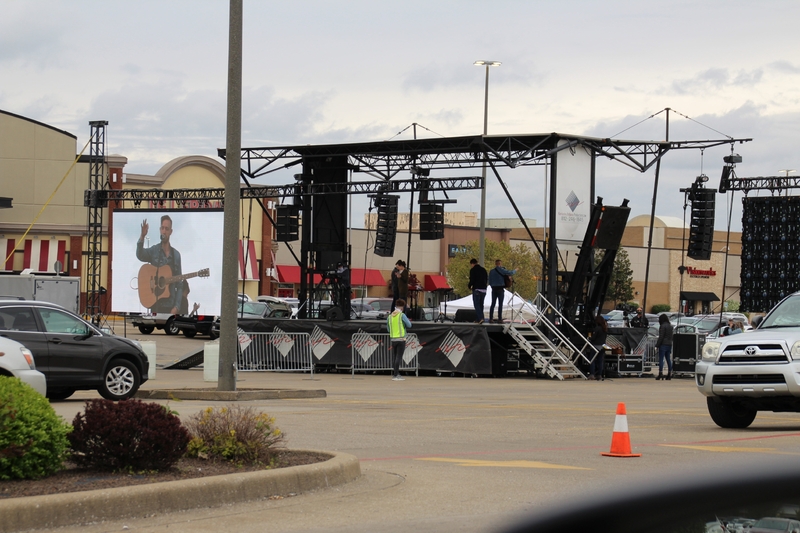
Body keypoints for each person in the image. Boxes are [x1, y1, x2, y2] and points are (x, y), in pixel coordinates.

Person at [136, 215, 185, 315]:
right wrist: (142, 237)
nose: (164, 231)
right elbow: (140, 255)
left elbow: (180, 285)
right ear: (159, 230)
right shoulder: (154, 250)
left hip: (170, 306)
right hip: (155, 304)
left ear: (171, 231)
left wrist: (176, 307)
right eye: (162, 228)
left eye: (166, 229)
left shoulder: (176, 255)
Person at [387, 298, 412, 381]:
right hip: (401, 339)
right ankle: (396, 375)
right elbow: (409, 325)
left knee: (395, 357)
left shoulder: (390, 316)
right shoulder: (402, 315)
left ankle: (395, 374)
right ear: (402, 307)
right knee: (398, 357)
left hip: (393, 339)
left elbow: (388, 329)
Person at [488, 259, 517, 323]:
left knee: (493, 304)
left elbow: (489, 281)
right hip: (500, 289)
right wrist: (515, 270)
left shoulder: (491, 271)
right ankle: (500, 319)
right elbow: (510, 273)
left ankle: (491, 318)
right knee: (500, 304)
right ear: (500, 264)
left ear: (495, 264)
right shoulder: (501, 270)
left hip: (493, 289)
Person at [467, 258, 488, 323]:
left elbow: (472, 280)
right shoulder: (483, 270)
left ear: (472, 264)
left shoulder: (473, 270)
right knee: (481, 304)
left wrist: (469, 286)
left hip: (477, 289)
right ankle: (478, 319)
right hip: (484, 289)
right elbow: (486, 278)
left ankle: (481, 318)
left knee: (477, 305)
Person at [589, 315, 608, 380]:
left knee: (592, 360)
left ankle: (592, 374)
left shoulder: (597, 328)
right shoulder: (604, 328)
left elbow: (593, 338)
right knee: (600, 361)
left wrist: (590, 338)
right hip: (602, 346)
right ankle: (599, 374)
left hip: (596, 346)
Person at [655, 313, 674, 380]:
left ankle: (660, 373)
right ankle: (669, 373)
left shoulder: (662, 326)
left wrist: (657, 345)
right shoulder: (670, 326)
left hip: (663, 344)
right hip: (669, 344)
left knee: (661, 359)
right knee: (668, 359)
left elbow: (661, 337)